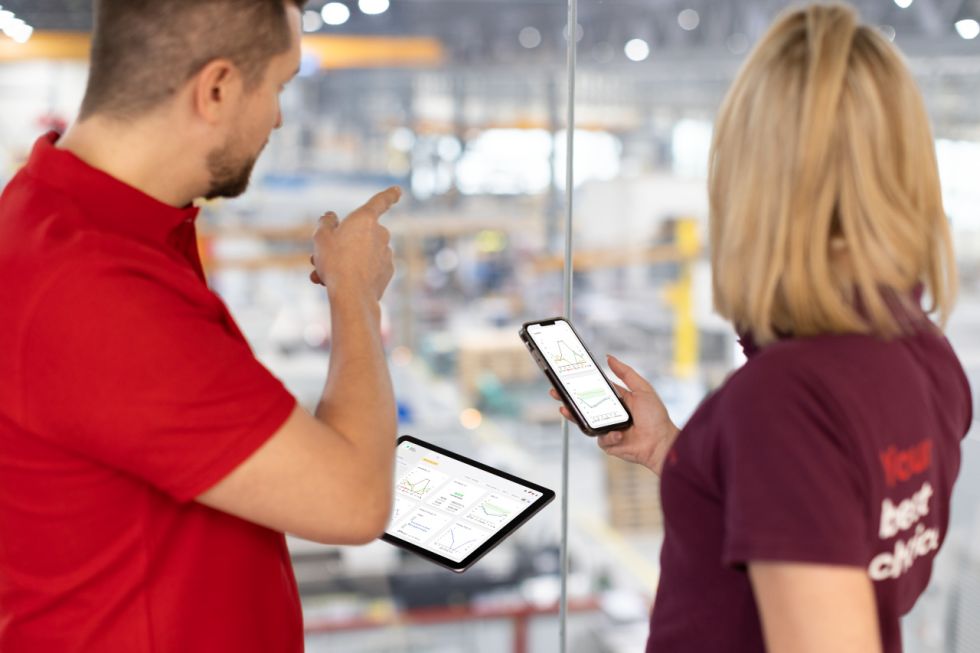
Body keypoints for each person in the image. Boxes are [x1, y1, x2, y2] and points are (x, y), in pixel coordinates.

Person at [553, 4, 972, 653]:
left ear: (754, 185)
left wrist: (747, 424)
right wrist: (677, 451)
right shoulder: (926, 355)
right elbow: (827, 519)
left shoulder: (785, 402)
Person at [0, 1, 401, 651]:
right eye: (278, 85)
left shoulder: (80, 220)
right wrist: (355, 295)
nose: (277, 116)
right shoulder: (94, 290)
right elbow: (354, 499)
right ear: (215, 89)